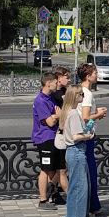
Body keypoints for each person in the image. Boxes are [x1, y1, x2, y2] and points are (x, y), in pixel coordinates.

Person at [75, 63, 108, 217]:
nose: (97, 75)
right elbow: (85, 117)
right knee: (89, 173)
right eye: (95, 72)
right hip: (86, 136)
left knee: (86, 172)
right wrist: (99, 114)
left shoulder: (79, 91)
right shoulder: (87, 94)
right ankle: (90, 207)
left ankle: (93, 205)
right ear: (88, 76)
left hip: (81, 135)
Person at [60, 85, 94, 217]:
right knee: (80, 186)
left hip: (71, 151)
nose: (83, 97)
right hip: (77, 150)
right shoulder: (73, 113)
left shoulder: (66, 111)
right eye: (80, 94)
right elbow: (76, 136)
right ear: (75, 96)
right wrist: (88, 135)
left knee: (76, 185)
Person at [32, 70, 64, 209]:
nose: (58, 83)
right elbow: (50, 122)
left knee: (56, 168)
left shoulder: (50, 97)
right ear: (48, 83)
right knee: (46, 169)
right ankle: (43, 200)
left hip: (54, 137)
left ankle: (53, 194)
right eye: (55, 82)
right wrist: (57, 115)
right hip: (45, 138)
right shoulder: (40, 100)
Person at [47, 66, 71, 204]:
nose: (69, 79)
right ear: (59, 77)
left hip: (64, 132)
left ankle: (53, 191)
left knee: (61, 168)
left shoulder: (64, 91)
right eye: (66, 76)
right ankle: (67, 196)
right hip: (58, 133)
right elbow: (60, 113)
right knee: (61, 168)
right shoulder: (55, 95)